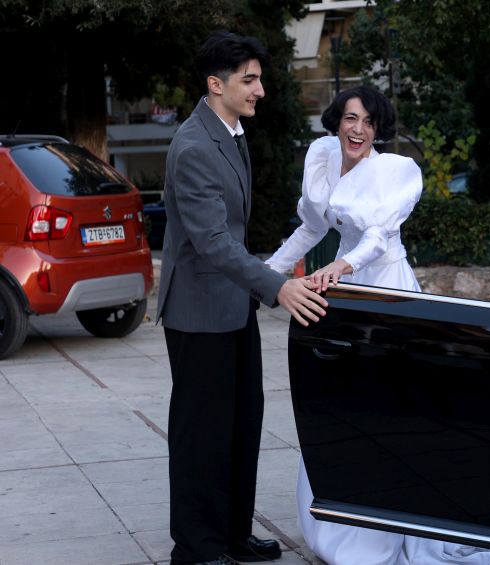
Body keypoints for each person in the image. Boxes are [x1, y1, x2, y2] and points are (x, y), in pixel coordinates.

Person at [265, 85, 490, 565]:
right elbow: (311, 227)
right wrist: (265, 274)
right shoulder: (324, 157)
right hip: (348, 294)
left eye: (369, 122)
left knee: (394, 409)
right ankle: (347, 523)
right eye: (351, 118)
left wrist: (338, 268)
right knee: (343, 406)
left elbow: (375, 239)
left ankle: (406, 526)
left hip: (388, 291)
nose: (359, 130)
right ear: (337, 120)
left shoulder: (394, 172)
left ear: (378, 129)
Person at [156, 31, 328, 565]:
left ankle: (232, 534)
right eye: (249, 80)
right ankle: (197, 548)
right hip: (198, 312)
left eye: (259, 79)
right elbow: (212, 240)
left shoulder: (230, 132)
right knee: (202, 436)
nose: (260, 90)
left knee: (241, 424)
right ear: (216, 84)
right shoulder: (193, 146)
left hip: (233, 306)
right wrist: (277, 284)